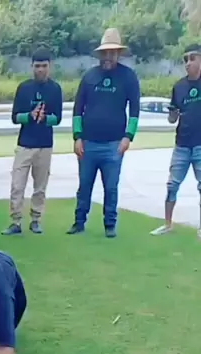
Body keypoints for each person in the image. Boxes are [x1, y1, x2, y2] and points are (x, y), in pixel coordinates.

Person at [68, 28, 140, 238]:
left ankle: (110, 224)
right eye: (105, 53)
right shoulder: (90, 76)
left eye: (112, 53)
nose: (108, 57)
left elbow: (135, 110)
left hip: (114, 144)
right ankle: (79, 222)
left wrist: (128, 136)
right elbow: (78, 108)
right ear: (100, 54)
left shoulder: (128, 77)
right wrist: (77, 137)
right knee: (84, 186)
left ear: (118, 54)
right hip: (88, 144)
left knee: (111, 188)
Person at [3, 48, 63, 236]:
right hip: (25, 144)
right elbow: (15, 117)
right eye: (37, 66)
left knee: (40, 187)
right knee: (17, 185)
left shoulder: (55, 89)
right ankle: (15, 221)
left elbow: (58, 118)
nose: (40, 70)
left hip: (45, 145)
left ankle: (36, 220)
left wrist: (44, 118)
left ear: (49, 67)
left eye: (44, 66)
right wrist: (29, 116)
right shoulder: (24, 88)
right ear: (32, 67)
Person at [151, 44, 201, 239]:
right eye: (185, 60)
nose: (188, 63)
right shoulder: (179, 87)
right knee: (172, 185)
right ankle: (167, 224)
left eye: (192, 58)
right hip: (182, 144)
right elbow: (172, 119)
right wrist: (172, 114)